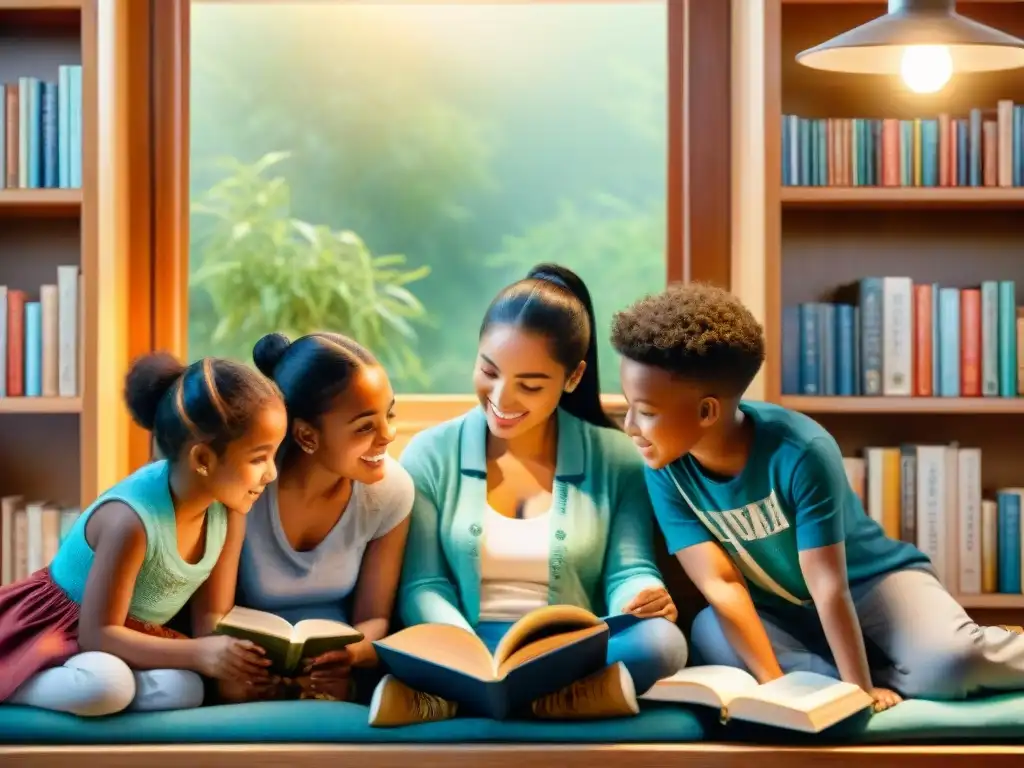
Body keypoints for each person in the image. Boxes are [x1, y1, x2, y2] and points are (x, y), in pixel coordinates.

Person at [610, 281, 1024, 713]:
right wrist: (774, 688)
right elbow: (722, 582)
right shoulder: (663, 465)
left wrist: (857, 689)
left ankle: (955, 651)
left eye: (648, 411)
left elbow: (829, 585)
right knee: (712, 633)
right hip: (782, 608)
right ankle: (893, 669)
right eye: (629, 406)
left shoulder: (801, 450)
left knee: (951, 665)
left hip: (870, 582)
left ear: (707, 411)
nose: (631, 425)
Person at [370, 263, 688, 727]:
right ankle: (553, 700)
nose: (502, 397)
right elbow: (423, 585)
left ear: (573, 376)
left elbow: (630, 568)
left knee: (661, 643)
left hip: (565, 650)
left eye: (531, 384)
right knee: (401, 648)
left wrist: (643, 595)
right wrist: (468, 653)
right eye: (488, 370)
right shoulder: (430, 453)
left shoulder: (616, 458)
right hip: (460, 645)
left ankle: (453, 701)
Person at [0, 352, 287, 716]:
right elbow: (98, 634)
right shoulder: (131, 522)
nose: (272, 474)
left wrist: (240, 668)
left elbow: (210, 619)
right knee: (107, 686)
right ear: (202, 460)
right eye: (259, 458)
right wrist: (199, 653)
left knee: (187, 689)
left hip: (127, 644)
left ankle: (93, 695)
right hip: (57, 633)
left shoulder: (228, 512)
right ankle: (14, 677)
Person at [218, 332, 413, 704]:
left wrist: (350, 659)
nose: (388, 436)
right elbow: (211, 618)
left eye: (389, 414)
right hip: (246, 667)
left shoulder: (391, 491)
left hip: (334, 672)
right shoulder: (247, 488)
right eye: (365, 426)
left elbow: (375, 619)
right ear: (307, 435)